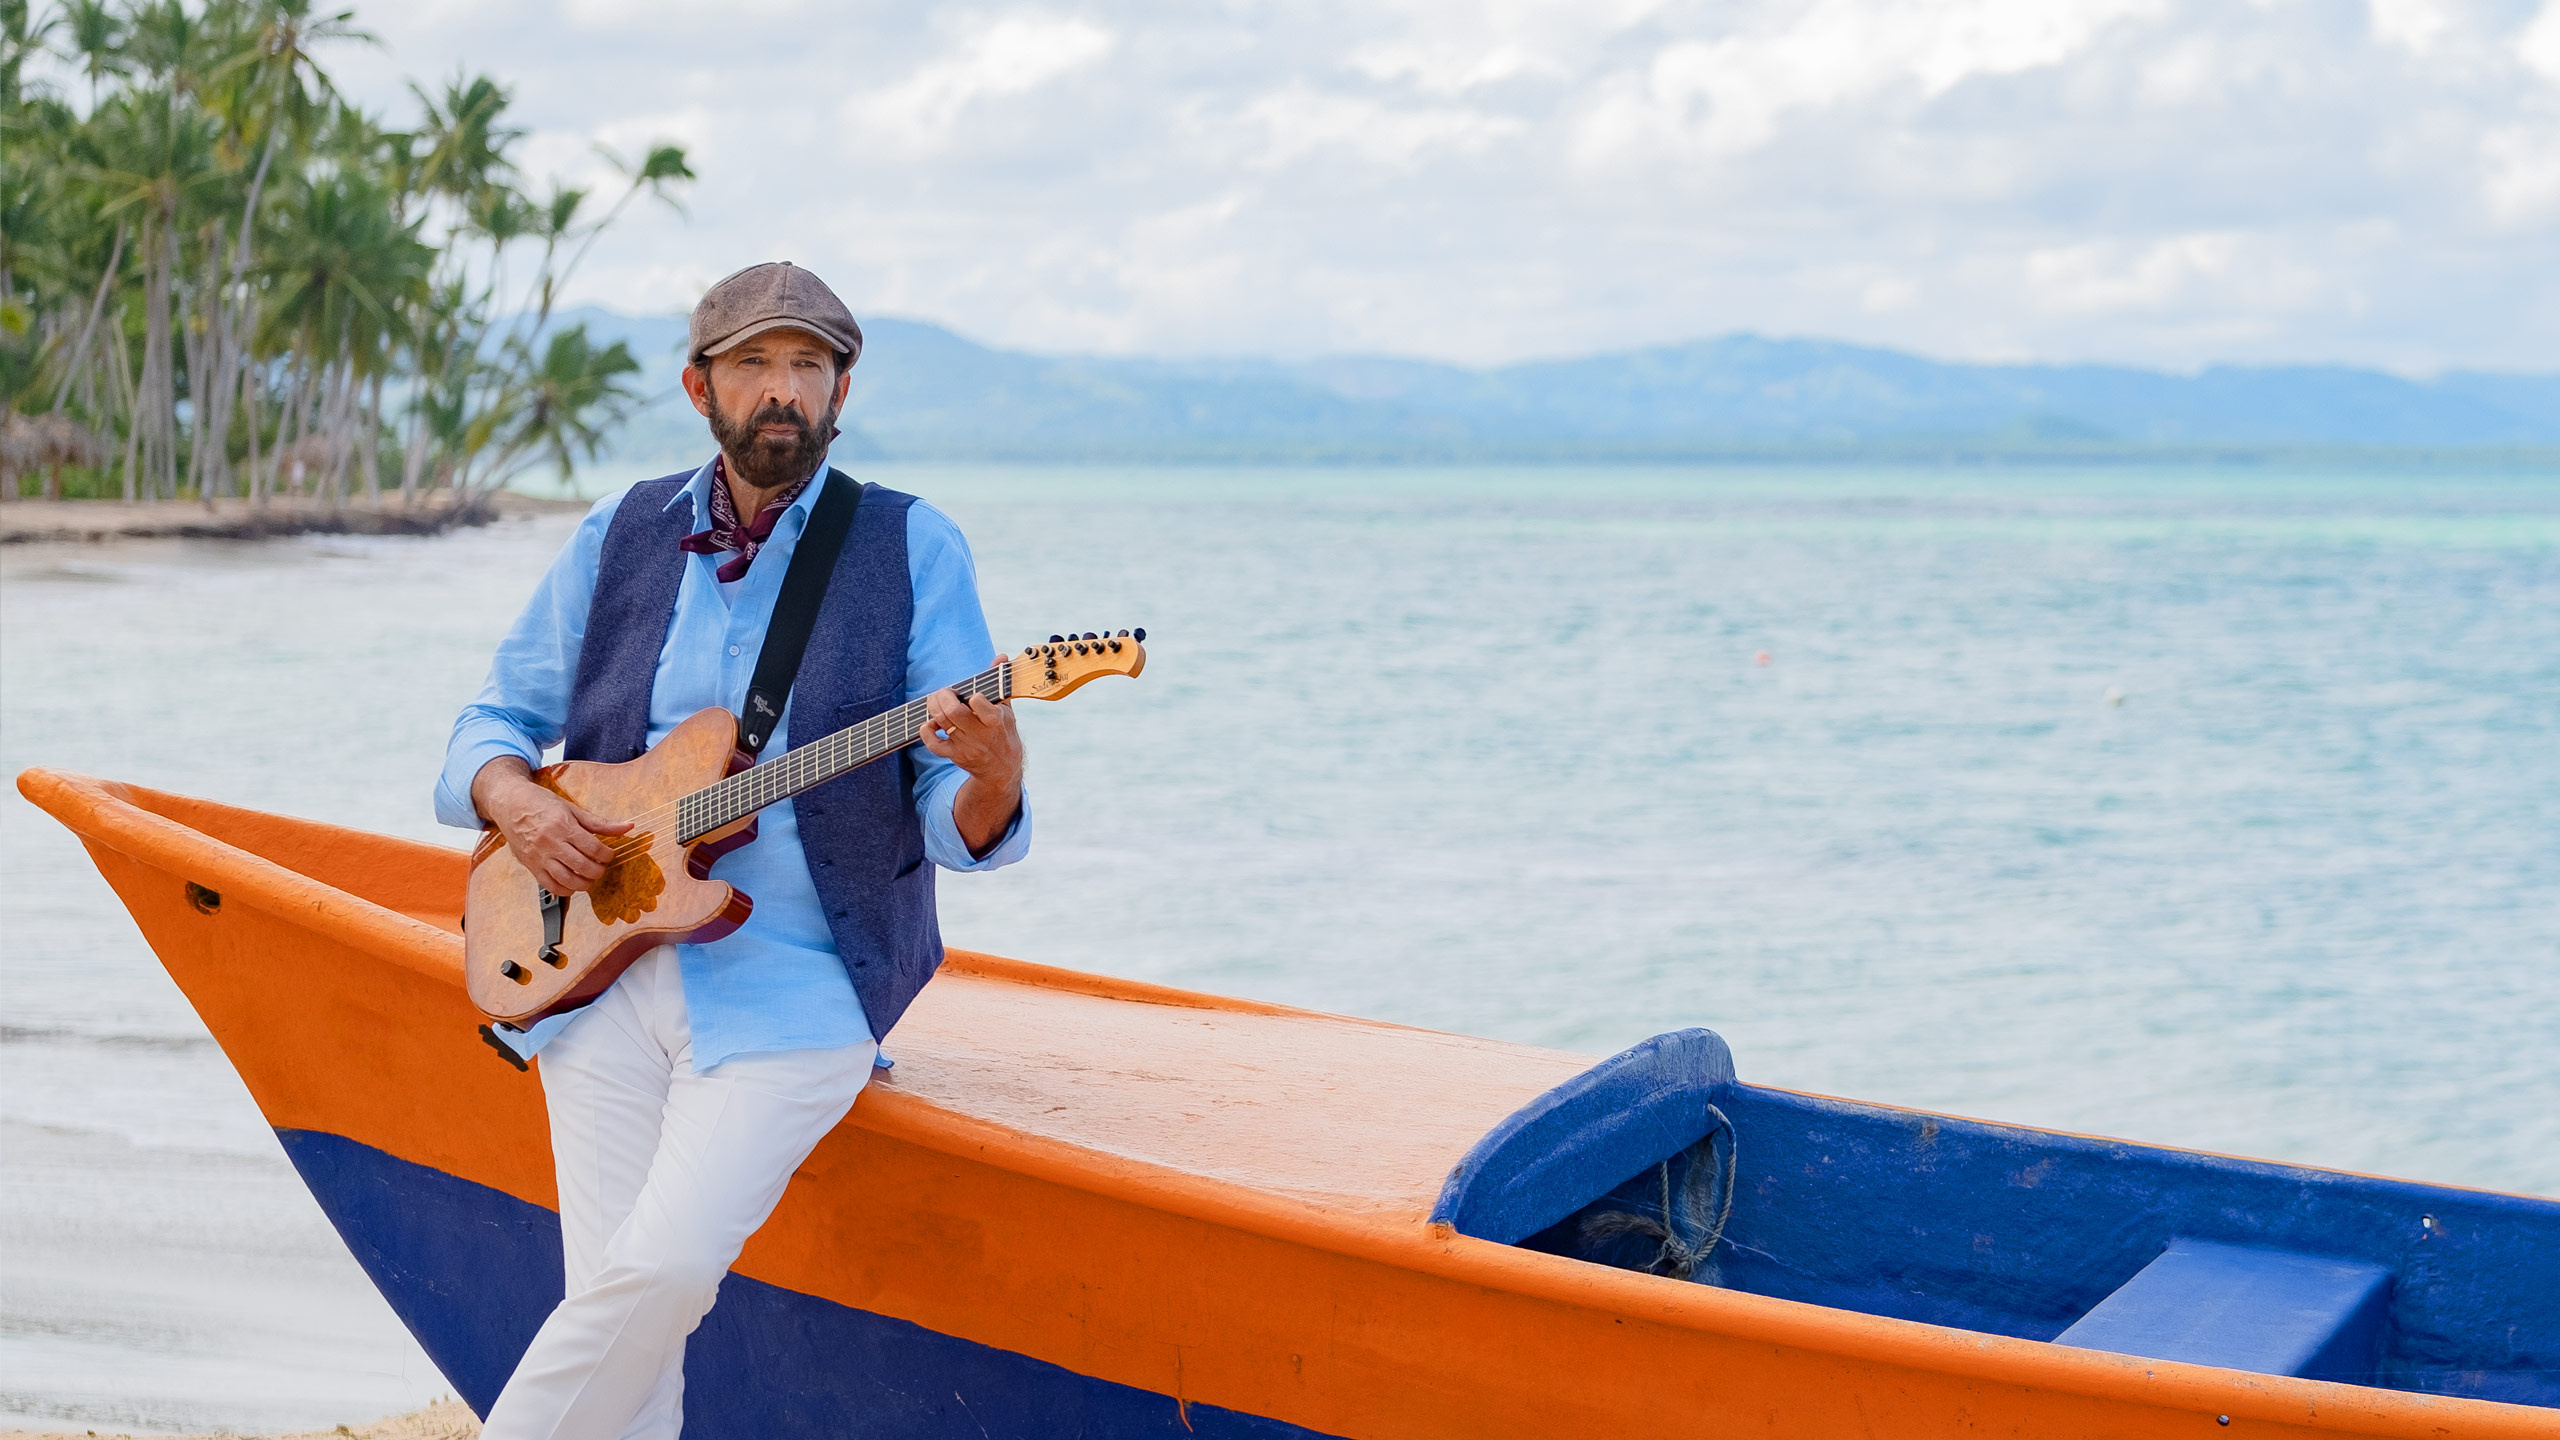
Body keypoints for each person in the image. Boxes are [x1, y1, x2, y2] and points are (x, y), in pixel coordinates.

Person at [432, 261, 1029, 1439]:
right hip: (595, 966)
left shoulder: (911, 546)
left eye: (808, 366)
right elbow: (492, 722)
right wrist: (517, 803)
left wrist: (996, 775)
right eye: (755, 363)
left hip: (805, 986)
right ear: (700, 385)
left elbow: (943, 809)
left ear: (840, 392)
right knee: (621, 1321)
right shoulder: (621, 533)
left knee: (656, 1276)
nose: (783, 391)